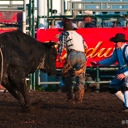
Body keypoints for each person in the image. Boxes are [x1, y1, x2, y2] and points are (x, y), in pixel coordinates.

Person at [91, 33, 128, 112]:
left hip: (126, 72)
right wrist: (99, 63)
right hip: (122, 70)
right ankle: (126, 103)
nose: (114, 43)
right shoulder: (117, 50)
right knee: (112, 88)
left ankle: (127, 106)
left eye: (116, 42)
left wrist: (124, 74)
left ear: (122, 42)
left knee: (126, 86)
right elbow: (112, 60)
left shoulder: (127, 50)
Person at [58, 20, 88, 103]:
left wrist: (59, 55)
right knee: (81, 75)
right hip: (82, 55)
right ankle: (79, 95)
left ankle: (70, 94)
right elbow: (86, 46)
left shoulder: (64, 34)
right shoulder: (79, 35)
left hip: (72, 54)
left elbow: (61, 45)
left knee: (67, 73)